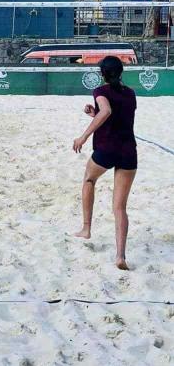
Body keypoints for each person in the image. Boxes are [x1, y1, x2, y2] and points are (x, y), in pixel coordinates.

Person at [72, 56, 137, 270]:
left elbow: (108, 111)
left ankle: (86, 228)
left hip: (108, 148)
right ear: (120, 72)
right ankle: (120, 256)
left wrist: (83, 136)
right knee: (120, 207)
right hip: (128, 151)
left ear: (102, 74)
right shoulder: (130, 94)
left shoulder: (101, 91)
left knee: (89, 179)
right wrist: (96, 113)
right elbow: (115, 115)